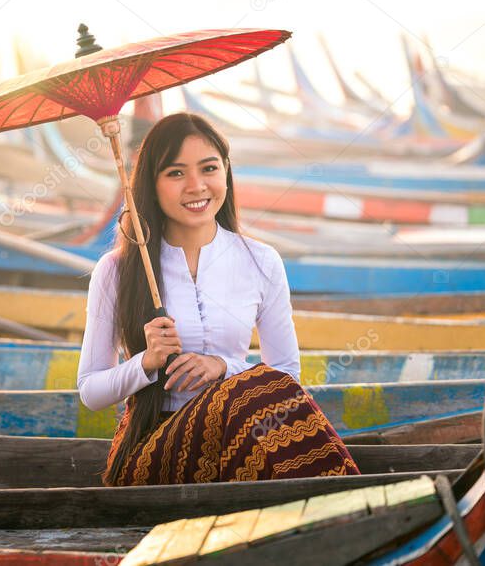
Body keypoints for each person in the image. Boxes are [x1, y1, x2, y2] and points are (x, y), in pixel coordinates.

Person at [77, 112, 359, 486]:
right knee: (245, 400)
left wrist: (223, 368)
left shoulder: (261, 261)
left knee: (260, 396)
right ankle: (342, 498)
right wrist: (146, 362)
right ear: (152, 184)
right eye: (176, 173)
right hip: (154, 452)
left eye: (208, 168)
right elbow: (91, 392)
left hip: (240, 444)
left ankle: (338, 500)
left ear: (226, 171)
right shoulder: (118, 270)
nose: (196, 186)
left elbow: (287, 378)